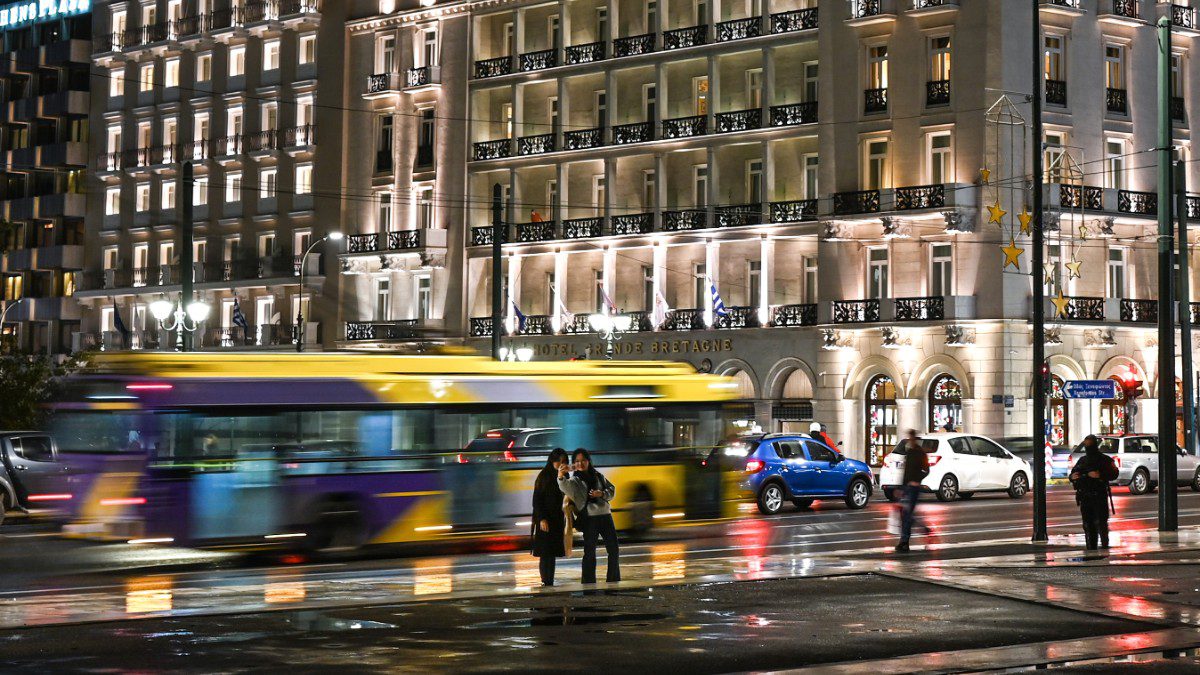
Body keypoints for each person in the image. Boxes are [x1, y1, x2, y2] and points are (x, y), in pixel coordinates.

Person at [559, 448, 620, 583]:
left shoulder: (598, 476)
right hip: (589, 519)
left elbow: (612, 490)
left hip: (605, 515)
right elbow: (564, 486)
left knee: (614, 549)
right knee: (590, 552)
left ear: (588, 461)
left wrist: (601, 494)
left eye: (583, 461)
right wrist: (561, 475)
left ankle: (613, 580)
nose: (580, 464)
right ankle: (588, 582)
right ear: (574, 464)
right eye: (577, 461)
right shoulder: (575, 481)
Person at [1069, 434, 1119, 551]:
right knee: (1088, 524)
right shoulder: (1082, 461)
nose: (1088, 448)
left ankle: (1104, 547)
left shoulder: (1104, 460)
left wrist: (1100, 475)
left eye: (1089, 445)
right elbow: (1073, 473)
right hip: (1085, 496)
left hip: (1099, 495)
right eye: (1086, 445)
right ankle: (1091, 548)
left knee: (1101, 523)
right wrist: (1073, 476)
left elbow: (1114, 474)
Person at [531, 448, 570, 586]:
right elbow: (537, 500)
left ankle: (549, 580)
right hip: (545, 519)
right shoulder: (544, 476)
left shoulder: (565, 477)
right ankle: (545, 580)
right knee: (545, 552)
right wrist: (541, 518)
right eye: (558, 461)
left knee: (552, 552)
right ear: (552, 461)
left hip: (557, 519)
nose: (561, 464)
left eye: (564, 461)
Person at [895, 429, 929, 553]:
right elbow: (906, 472)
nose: (909, 440)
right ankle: (922, 531)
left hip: (914, 488)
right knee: (905, 515)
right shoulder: (909, 452)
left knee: (907, 515)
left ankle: (904, 542)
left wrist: (917, 480)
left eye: (911, 438)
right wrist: (900, 488)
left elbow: (926, 470)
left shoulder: (920, 453)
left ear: (914, 439)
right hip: (907, 487)